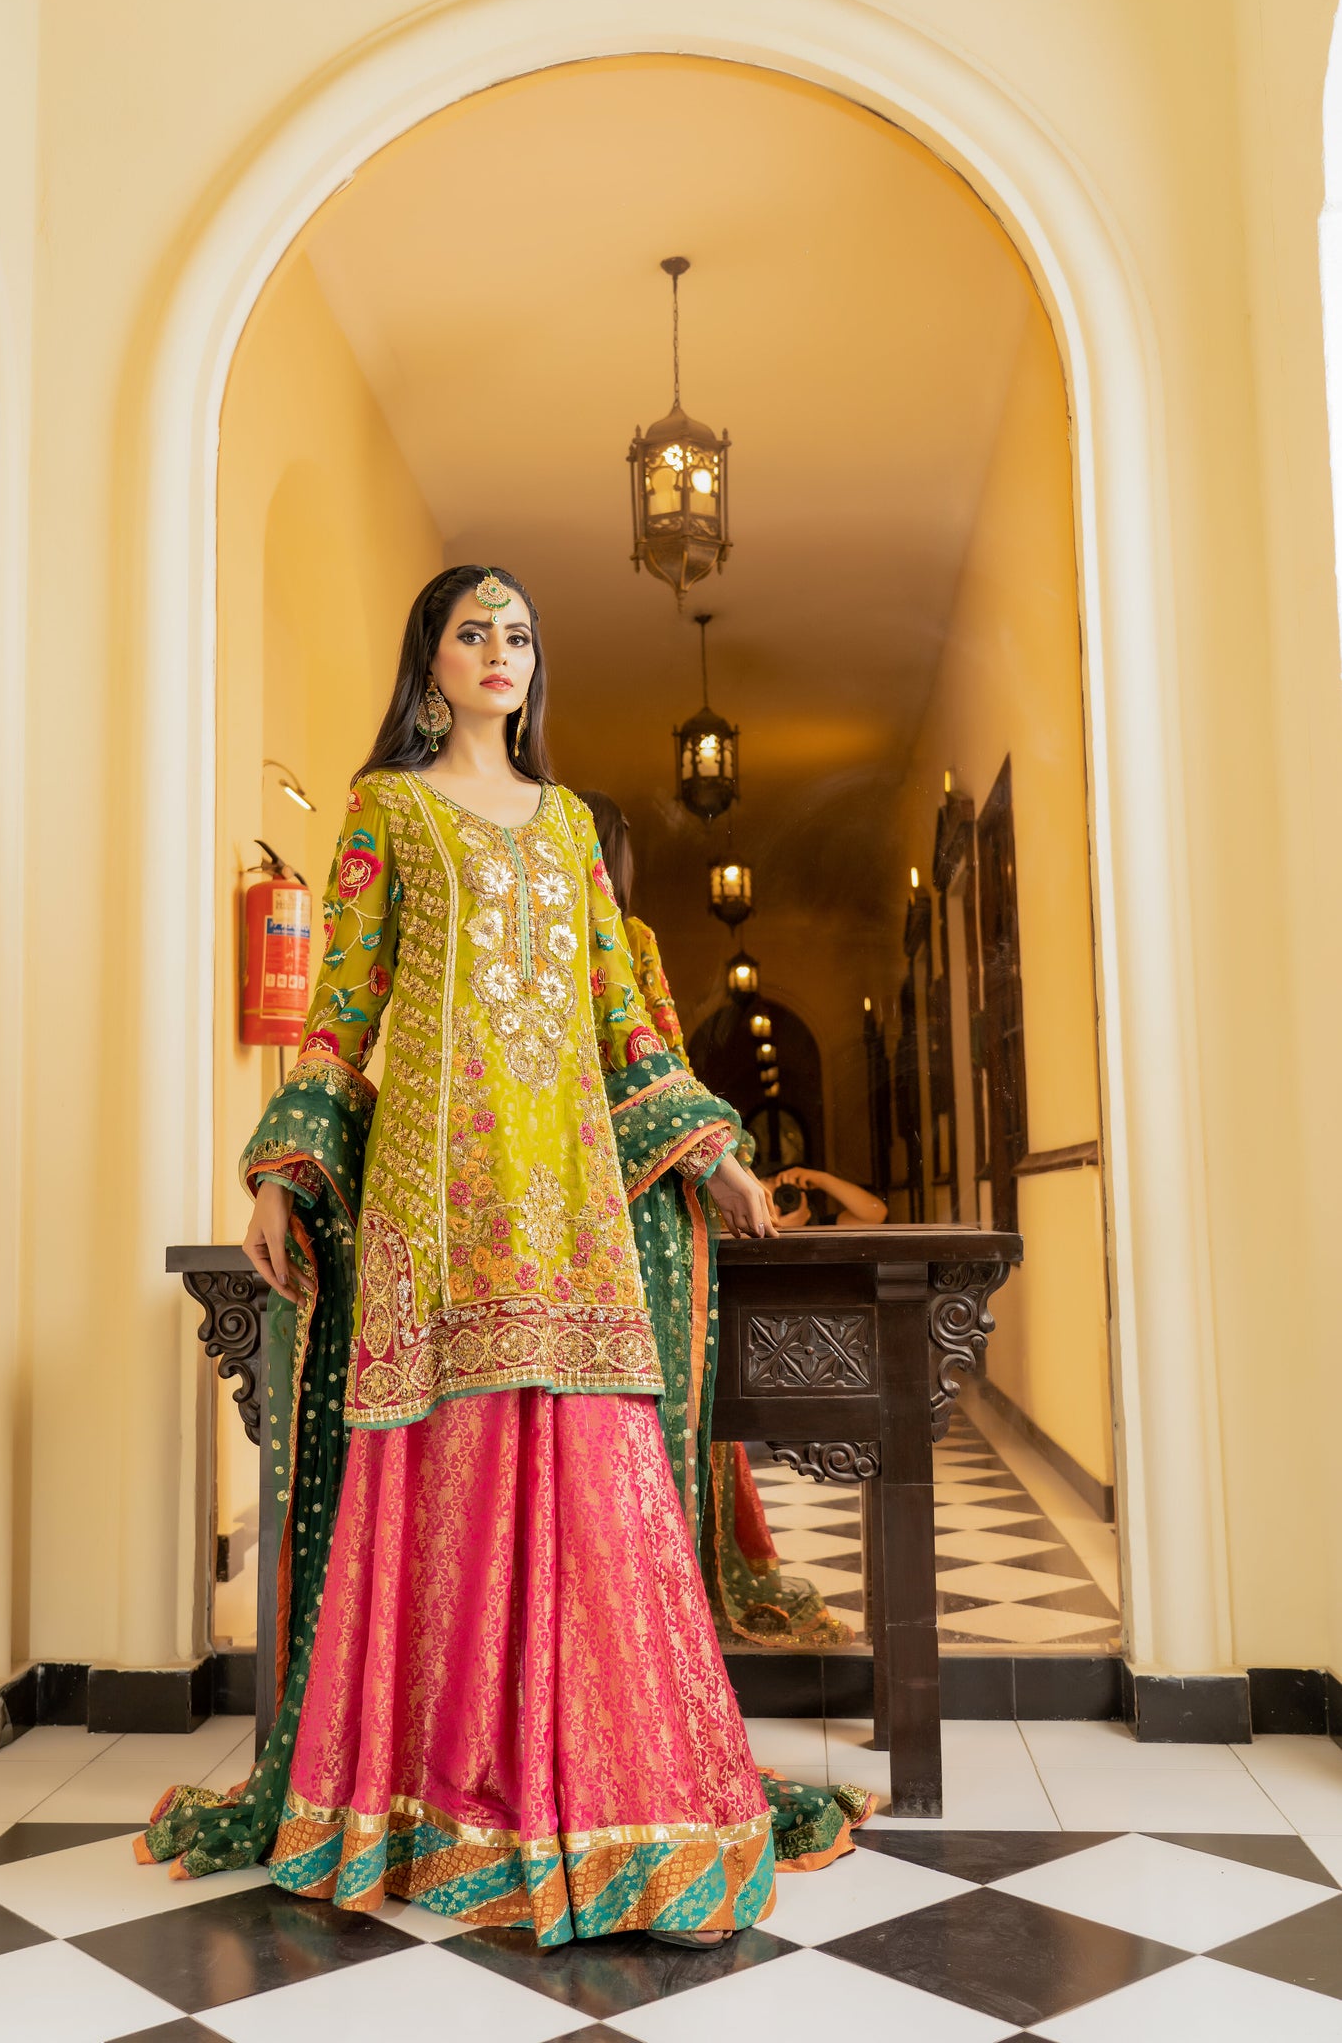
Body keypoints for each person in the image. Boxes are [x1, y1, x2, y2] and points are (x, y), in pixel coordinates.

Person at [138, 567, 784, 1948]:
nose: (503, 653)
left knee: (596, 1479)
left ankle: (622, 1809)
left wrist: (715, 1152)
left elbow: (626, 1016)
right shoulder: (387, 807)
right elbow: (343, 1000)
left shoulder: (566, 827)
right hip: (434, 1204)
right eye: (474, 633)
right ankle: (430, 1802)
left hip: (568, 1204)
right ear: (428, 662)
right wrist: (278, 1169)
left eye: (520, 636)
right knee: (445, 1485)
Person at [578, 792, 861, 1656]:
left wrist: (712, 1154)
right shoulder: (607, 942)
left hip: (617, 1208)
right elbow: (657, 1061)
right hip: (610, 1208)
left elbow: (648, 1058)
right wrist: (711, 1153)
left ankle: (620, 1617)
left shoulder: (620, 943)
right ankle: (621, 1617)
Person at [765, 1164, 889, 1229]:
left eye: (788, 1191)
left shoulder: (814, 1229)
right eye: (768, 1180)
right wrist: (778, 1230)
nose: (781, 1197)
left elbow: (875, 1213)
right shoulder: (745, 1230)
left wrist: (820, 1178)